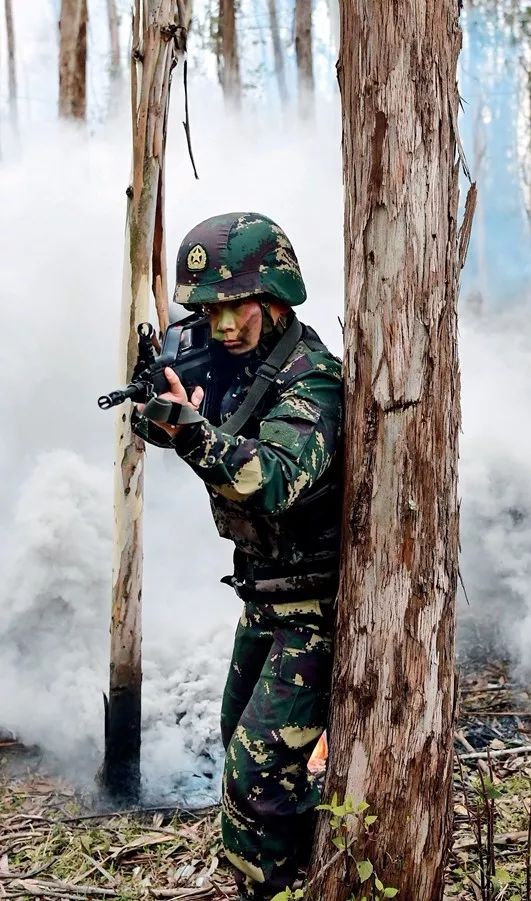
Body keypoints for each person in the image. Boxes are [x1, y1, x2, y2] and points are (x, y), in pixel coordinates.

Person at [132, 212, 343, 900]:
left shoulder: (310, 380)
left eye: (237, 307)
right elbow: (205, 429)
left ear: (277, 295)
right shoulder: (231, 364)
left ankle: (278, 885)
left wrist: (193, 435)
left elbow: (274, 479)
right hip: (264, 599)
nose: (222, 326)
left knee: (256, 777)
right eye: (211, 309)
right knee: (242, 749)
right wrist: (169, 417)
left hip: (316, 608)